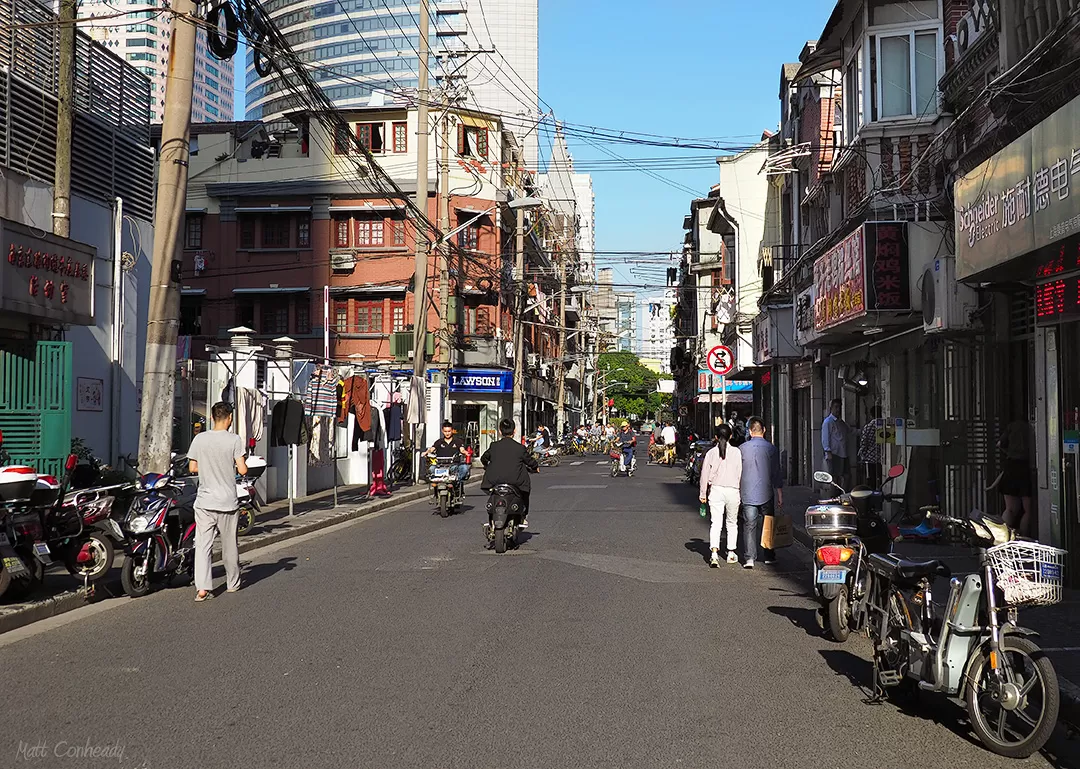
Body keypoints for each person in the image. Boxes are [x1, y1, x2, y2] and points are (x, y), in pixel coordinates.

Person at [187, 401, 248, 602]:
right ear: (229, 418)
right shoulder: (234, 440)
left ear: (212, 417)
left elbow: (192, 468)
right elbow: (242, 470)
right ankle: (232, 583)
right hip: (227, 501)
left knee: (203, 545)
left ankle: (202, 589)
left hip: (204, 501)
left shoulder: (200, 439)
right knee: (230, 544)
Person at [739, 416, 783, 568]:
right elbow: (776, 473)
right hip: (766, 492)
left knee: (749, 525)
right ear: (764, 430)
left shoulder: (742, 449)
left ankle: (749, 558)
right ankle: (769, 555)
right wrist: (780, 494)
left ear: (750, 431)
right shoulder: (771, 449)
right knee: (768, 524)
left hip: (747, 493)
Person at [481, 418, 539, 528]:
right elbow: (530, 461)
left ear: (500, 431)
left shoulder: (494, 446)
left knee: (492, 494)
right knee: (525, 492)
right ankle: (523, 516)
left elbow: (484, 458)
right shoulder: (520, 448)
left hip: (494, 481)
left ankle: (492, 517)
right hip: (515, 482)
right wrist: (535, 467)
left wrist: (487, 467)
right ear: (514, 431)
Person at [699, 424, 743, 567]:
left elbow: (704, 475)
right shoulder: (736, 452)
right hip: (733, 490)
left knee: (716, 523)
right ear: (731, 436)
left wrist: (703, 494)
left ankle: (714, 554)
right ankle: (730, 553)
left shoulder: (711, 453)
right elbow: (739, 474)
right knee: (732, 523)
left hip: (716, 490)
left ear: (716, 437)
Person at [987, 419, 1034, 537]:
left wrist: (1009, 452)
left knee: (1010, 509)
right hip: (1026, 467)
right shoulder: (1032, 427)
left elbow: (999, 444)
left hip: (1011, 467)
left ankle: (1001, 537)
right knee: (1028, 510)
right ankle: (1024, 537)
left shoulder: (1012, 425)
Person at [822, 398, 850, 490]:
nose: (838, 409)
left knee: (845, 475)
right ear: (831, 408)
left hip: (843, 453)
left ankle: (842, 494)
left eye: (839, 407)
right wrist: (828, 451)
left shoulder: (840, 422)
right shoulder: (828, 422)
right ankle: (833, 496)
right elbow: (825, 438)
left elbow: (850, 431)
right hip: (834, 453)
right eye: (836, 407)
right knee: (834, 477)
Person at [858, 406, 883, 488]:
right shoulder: (885, 425)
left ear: (871, 415)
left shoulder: (868, 427)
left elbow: (864, 442)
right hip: (883, 458)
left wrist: (863, 454)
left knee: (871, 480)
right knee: (881, 479)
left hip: (871, 458)